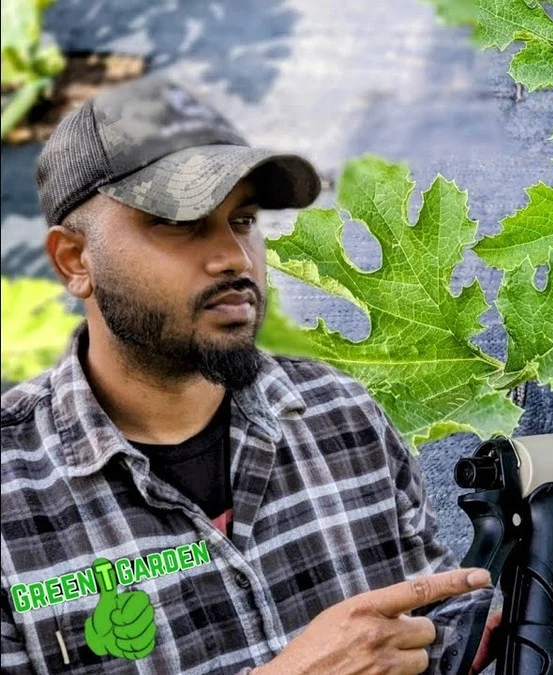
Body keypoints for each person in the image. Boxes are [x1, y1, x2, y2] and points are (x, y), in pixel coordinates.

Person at [1, 75, 501, 675]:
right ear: (75, 260)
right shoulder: (13, 490)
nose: (235, 259)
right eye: (183, 224)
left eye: (243, 221)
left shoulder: (342, 415)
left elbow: (432, 636)